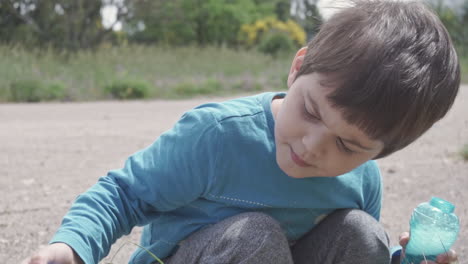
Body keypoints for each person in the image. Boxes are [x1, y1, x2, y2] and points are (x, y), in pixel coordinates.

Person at [22, 0, 460, 264]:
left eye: (348, 146)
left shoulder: (361, 179)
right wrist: (73, 247)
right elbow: (124, 193)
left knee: (362, 232)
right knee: (255, 235)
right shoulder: (218, 136)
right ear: (297, 67)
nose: (313, 145)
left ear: (378, 153)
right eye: (310, 111)